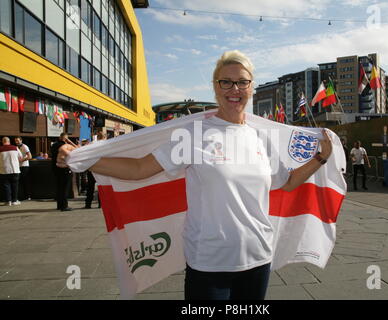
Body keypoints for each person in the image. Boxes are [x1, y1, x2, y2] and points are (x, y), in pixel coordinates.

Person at [57, 50, 333, 300]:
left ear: (251, 87)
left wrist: (320, 158)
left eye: (242, 82)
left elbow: (287, 182)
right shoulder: (193, 135)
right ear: (215, 87)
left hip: (259, 260)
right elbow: (139, 169)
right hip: (209, 265)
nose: (234, 89)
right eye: (226, 81)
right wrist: (84, 159)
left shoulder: (261, 137)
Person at [51, 133, 73, 212]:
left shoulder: (54, 145)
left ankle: (59, 205)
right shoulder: (65, 146)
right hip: (64, 168)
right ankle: (64, 206)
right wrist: (70, 142)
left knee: (59, 187)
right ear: (66, 138)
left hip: (55, 168)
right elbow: (76, 150)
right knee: (65, 188)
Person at [84, 132, 106, 209]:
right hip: (101, 168)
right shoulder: (105, 144)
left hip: (91, 167)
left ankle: (88, 204)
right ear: (104, 137)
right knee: (101, 186)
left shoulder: (91, 144)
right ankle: (101, 204)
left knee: (90, 187)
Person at [0, 137, 22, 206]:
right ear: (9, 141)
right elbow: (20, 157)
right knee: (15, 186)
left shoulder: (0, 149)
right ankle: (14, 201)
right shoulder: (15, 148)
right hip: (15, 169)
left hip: (4, 170)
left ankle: (8, 201)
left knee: (6, 186)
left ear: (2, 141)